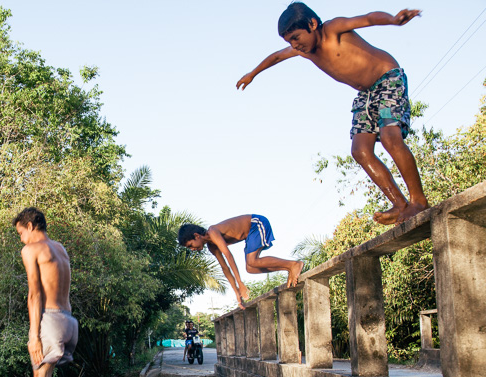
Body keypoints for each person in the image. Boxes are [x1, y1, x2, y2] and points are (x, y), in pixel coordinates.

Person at [236, 3, 428, 225]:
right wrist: (253, 73)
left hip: (387, 81)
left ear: (313, 24)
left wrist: (393, 20)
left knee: (389, 137)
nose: (294, 45)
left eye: (297, 37)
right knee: (360, 150)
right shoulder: (304, 51)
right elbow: (277, 57)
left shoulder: (334, 29)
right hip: (366, 93)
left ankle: (418, 201)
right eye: (290, 42)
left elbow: (367, 18)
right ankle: (399, 204)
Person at [13, 207, 78, 377]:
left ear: (30, 226)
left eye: (20, 232)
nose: (21, 239)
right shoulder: (59, 248)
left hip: (50, 319)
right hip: (69, 322)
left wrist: (34, 336)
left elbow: (34, 294)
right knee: (44, 376)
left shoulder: (31, 250)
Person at [178, 216, 303, 308]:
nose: (193, 249)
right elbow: (225, 268)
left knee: (252, 261)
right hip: (250, 235)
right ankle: (289, 268)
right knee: (251, 268)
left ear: (196, 235)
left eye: (191, 245)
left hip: (257, 223)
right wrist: (237, 291)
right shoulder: (212, 246)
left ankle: (293, 265)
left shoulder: (212, 232)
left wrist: (240, 282)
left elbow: (229, 256)